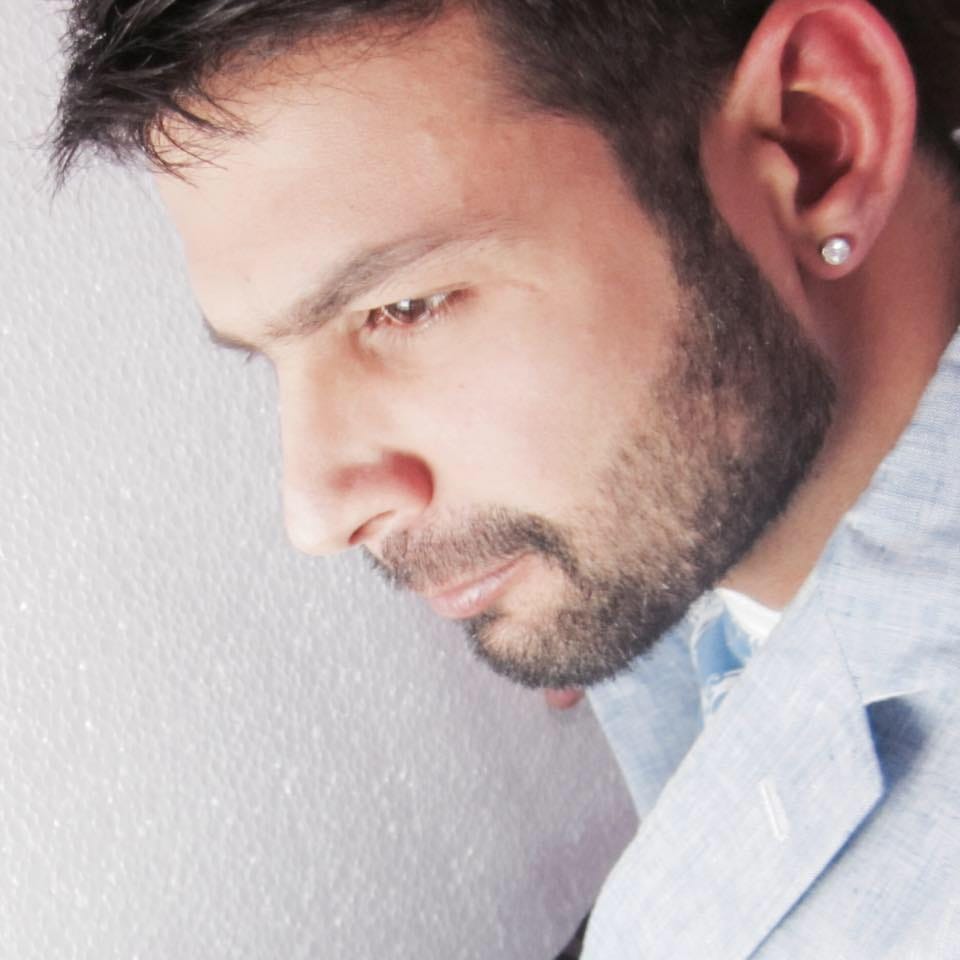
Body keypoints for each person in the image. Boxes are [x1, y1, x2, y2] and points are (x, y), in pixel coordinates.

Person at [53, 1, 960, 956]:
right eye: (271, 362)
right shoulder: (712, 514)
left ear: (819, 147)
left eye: (406, 308)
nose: (315, 514)